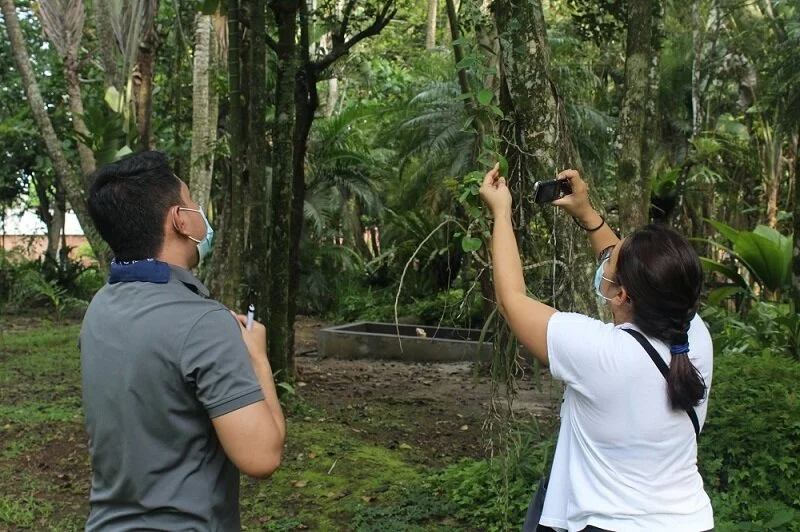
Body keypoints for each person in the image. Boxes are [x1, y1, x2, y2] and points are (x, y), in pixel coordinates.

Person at [479, 165, 714, 532]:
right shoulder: (695, 335)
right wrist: (586, 213)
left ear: (621, 295)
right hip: (690, 521)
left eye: (611, 263)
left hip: (610, 524)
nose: (607, 256)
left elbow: (512, 300)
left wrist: (501, 211)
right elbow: (634, 269)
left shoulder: (601, 354)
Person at [79, 151, 286, 530]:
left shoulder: (101, 307)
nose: (200, 212)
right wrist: (258, 357)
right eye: (191, 201)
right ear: (179, 219)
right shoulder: (205, 323)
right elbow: (262, 457)